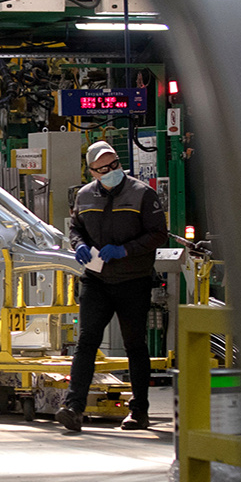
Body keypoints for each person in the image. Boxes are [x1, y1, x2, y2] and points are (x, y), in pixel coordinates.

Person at [56, 140, 168, 432]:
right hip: (96, 280)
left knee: (135, 345)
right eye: (102, 168)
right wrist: (79, 245)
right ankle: (73, 407)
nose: (110, 171)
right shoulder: (84, 196)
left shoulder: (142, 194)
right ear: (92, 172)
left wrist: (125, 250)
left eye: (114, 164)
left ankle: (139, 412)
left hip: (133, 280)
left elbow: (159, 234)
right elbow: (76, 228)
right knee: (86, 343)